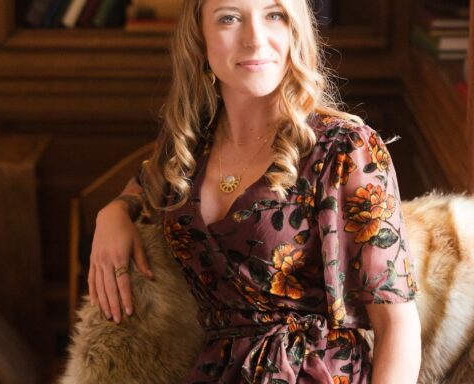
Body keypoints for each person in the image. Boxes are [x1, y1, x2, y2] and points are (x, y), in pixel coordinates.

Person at [88, 0, 422, 382]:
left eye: (274, 15)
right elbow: (144, 181)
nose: (255, 38)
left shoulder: (343, 148)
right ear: (199, 37)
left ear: (295, 29)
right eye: (229, 18)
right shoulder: (188, 148)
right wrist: (114, 211)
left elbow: (398, 325)